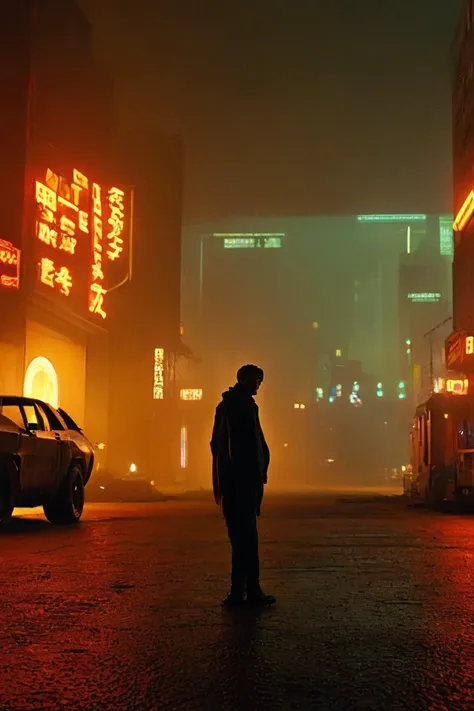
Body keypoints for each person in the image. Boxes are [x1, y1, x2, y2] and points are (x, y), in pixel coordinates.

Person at [211, 364, 276, 607]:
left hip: (235, 482)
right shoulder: (241, 407)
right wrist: (250, 472)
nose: (259, 384)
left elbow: (216, 444)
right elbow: (241, 446)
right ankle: (245, 591)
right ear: (246, 380)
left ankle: (243, 590)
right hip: (242, 483)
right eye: (257, 379)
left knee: (241, 538)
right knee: (245, 538)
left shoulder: (228, 406)